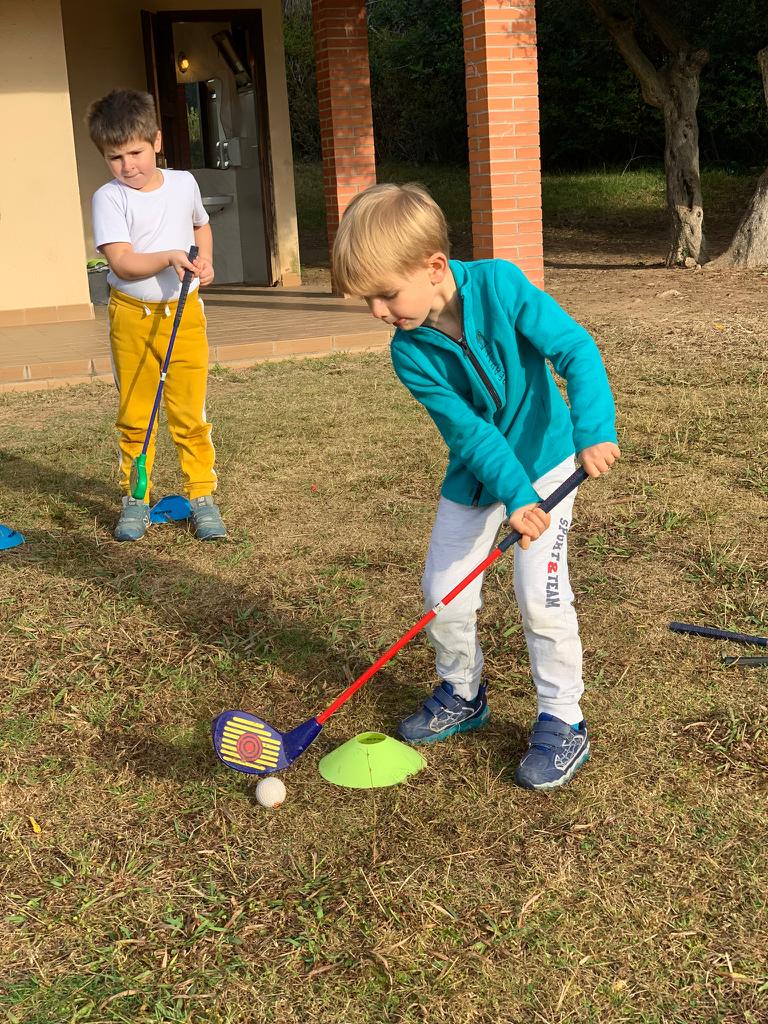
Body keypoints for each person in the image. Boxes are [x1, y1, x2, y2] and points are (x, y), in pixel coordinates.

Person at [332, 183, 620, 790]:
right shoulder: (410, 353)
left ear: (434, 267)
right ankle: (463, 691)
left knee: (541, 599)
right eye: (369, 302)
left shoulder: (501, 284)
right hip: (482, 475)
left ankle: (563, 718)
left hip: (547, 461)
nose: (379, 313)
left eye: (385, 294)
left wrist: (592, 429)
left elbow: (573, 349)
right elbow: (470, 434)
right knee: (443, 592)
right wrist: (513, 497)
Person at [86, 88, 226, 542]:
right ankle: (136, 498)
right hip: (132, 315)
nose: (128, 166)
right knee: (137, 412)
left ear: (158, 141)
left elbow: (201, 224)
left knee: (189, 410)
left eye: (136, 152)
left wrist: (204, 260)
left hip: (184, 314)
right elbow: (122, 262)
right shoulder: (108, 198)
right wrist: (168, 256)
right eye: (115, 157)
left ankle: (201, 495)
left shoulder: (184, 183)